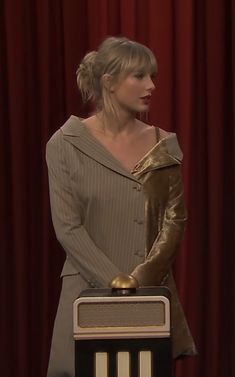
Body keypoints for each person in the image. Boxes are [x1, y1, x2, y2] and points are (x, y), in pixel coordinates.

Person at [46, 36, 197, 377]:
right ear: (109, 83)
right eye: (139, 76)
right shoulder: (64, 143)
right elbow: (68, 227)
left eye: (152, 76)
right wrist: (116, 281)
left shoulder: (163, 144)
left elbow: (175, 219)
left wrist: (139, 281)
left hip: (149, 298)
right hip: (85, 296)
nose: (152, 86)